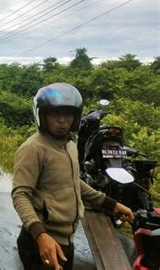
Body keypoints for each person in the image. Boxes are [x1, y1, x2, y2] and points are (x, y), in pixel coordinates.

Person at [11, 83, 134, 270]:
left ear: (75, 117)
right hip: (41, 242)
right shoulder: (33, 148)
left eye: (68, 114)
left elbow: (74, 182)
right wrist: (40, 236)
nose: (62, 120)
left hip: (65, 240)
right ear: (42, 115)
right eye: (55, 113)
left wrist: (111, 204)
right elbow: (20, 195)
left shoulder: (68, 145)